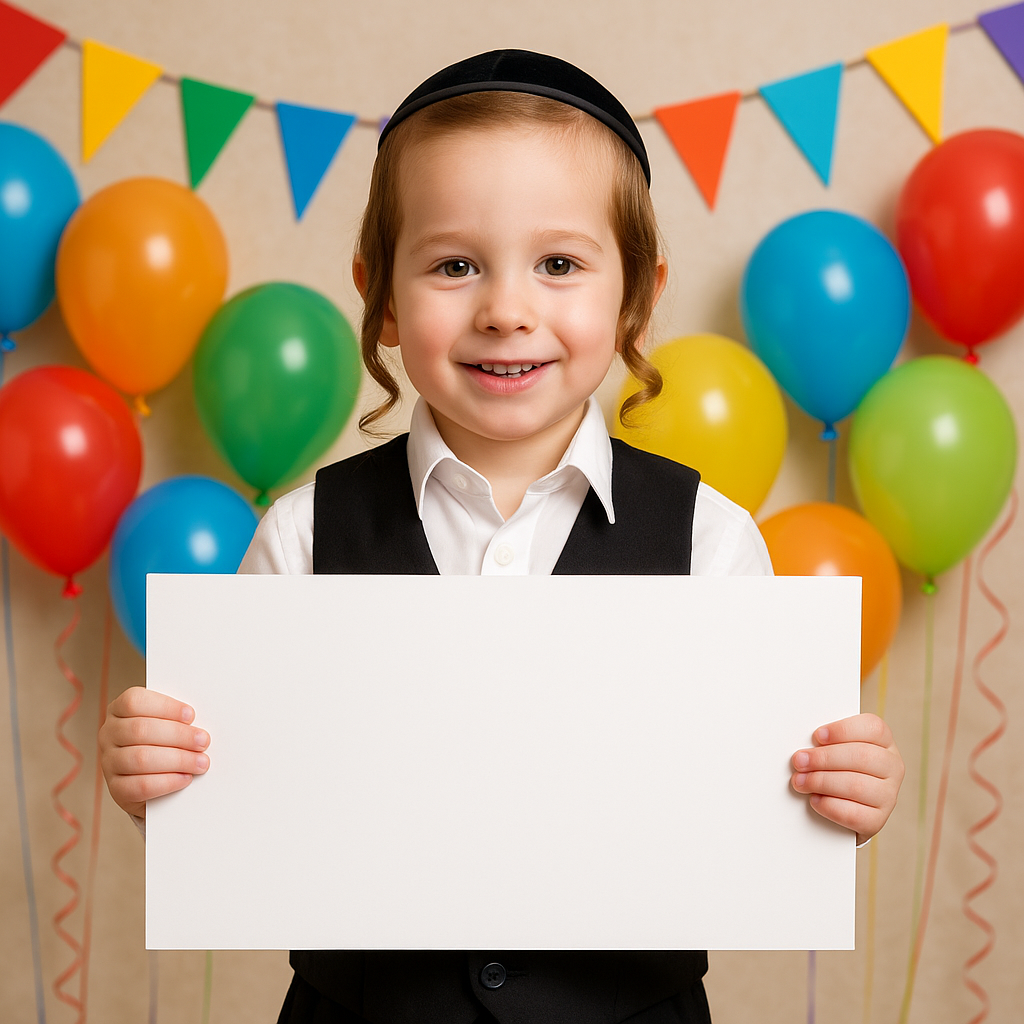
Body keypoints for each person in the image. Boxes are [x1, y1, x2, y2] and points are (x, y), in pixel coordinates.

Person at [99, 49, 905, 1024]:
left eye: (559, 264)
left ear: (637, 295)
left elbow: (763, 802)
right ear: (383, 297)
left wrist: (842, 797)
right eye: (453, 265)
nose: (506, 309)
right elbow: (243, 800)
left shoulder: (711, 541)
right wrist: (161, 785)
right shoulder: (304, 534)